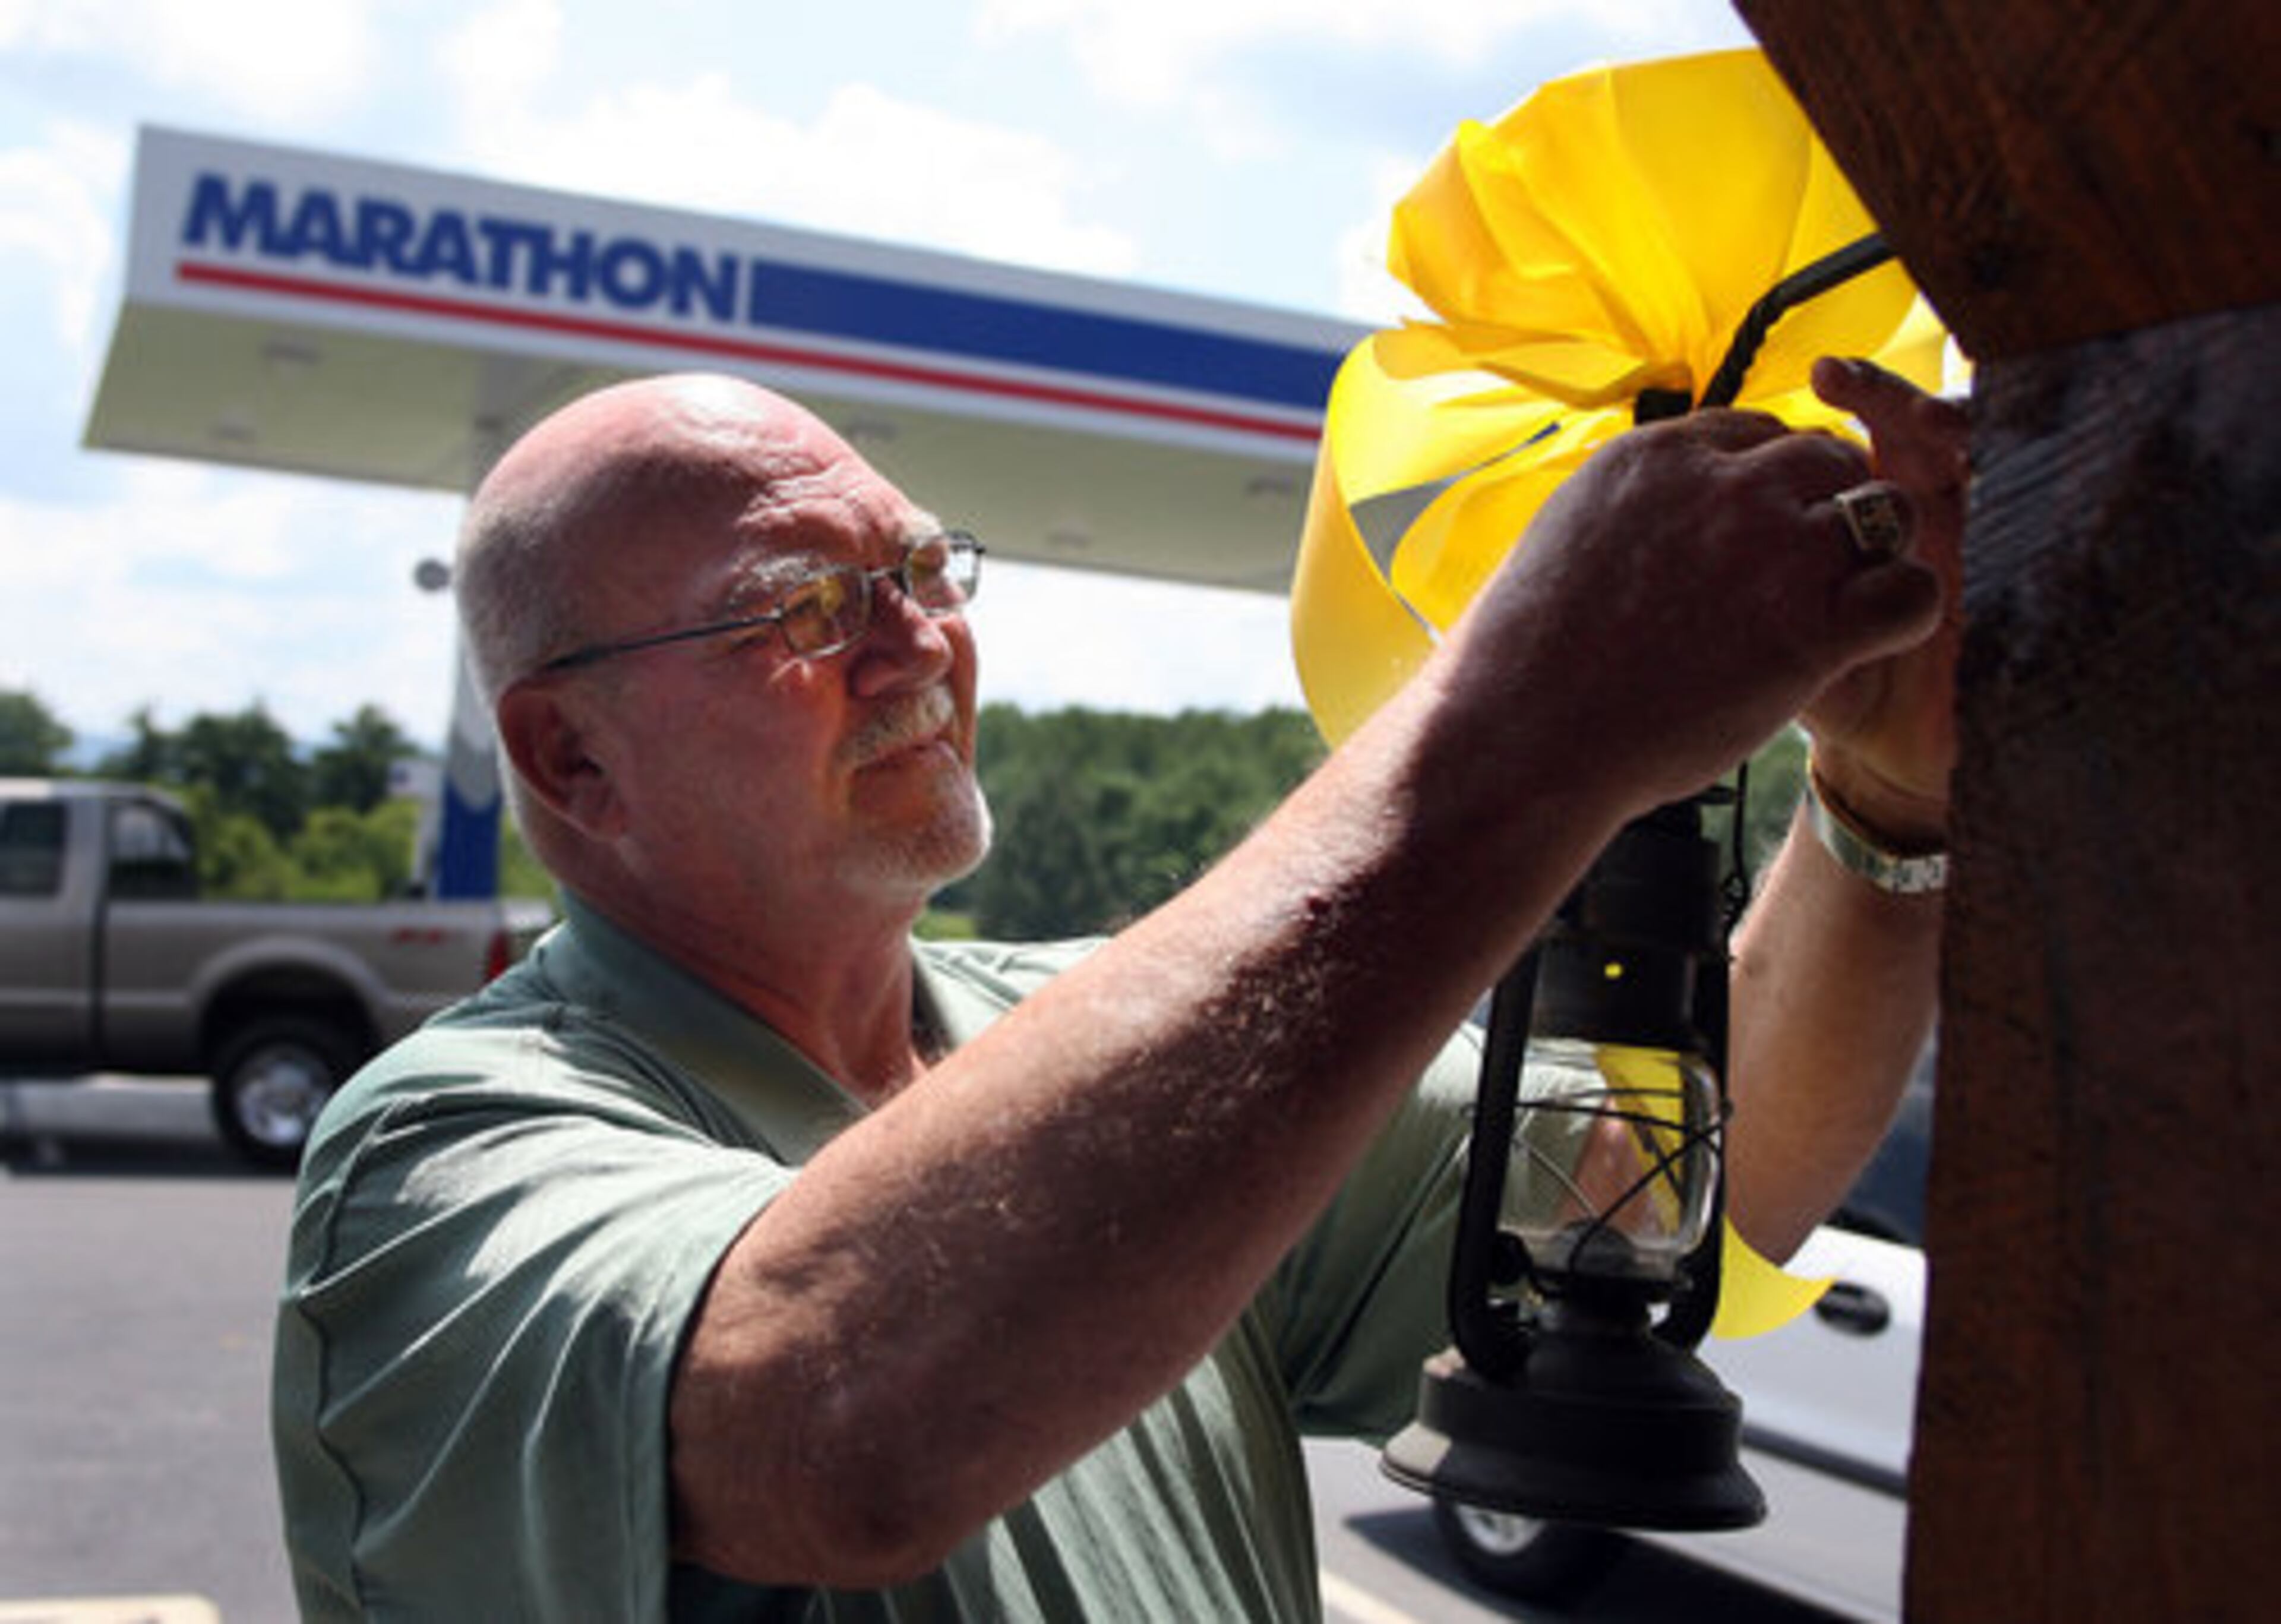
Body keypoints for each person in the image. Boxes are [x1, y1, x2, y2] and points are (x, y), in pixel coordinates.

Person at [271, 356, 1964, 1621]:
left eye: (922, 570)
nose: (914, 643)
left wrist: (1882, 807)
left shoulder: (1113, 1043)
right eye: (799, 608)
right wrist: (1525, 726)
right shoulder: (437, 1154)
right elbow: (831, 1428)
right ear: (568, 757)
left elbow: (1682, 1182)